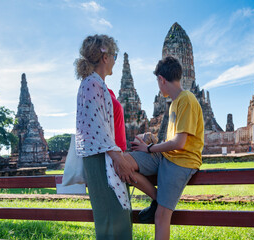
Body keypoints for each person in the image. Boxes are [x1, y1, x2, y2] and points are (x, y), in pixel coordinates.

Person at [125, 56, 205, 240]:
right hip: (166, 157)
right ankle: (158, 197)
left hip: (182, 162)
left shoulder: (186, 99)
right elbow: (172, 140)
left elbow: (179, 143)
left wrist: (149, 148)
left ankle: (159, 202)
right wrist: (150, 140)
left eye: (157, 82)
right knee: (123, 163)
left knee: (161, 217)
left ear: (161, 79)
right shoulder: (175, 102)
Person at [74, 34, 137, 240]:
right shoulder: (91, 84)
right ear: (105, 57)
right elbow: (97, 129)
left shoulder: (98, 84)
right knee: (112, 219)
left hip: (110, 155)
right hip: (103, 158)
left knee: (119, 216)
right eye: (114, 55)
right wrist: (119, 158)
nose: (115, 61)